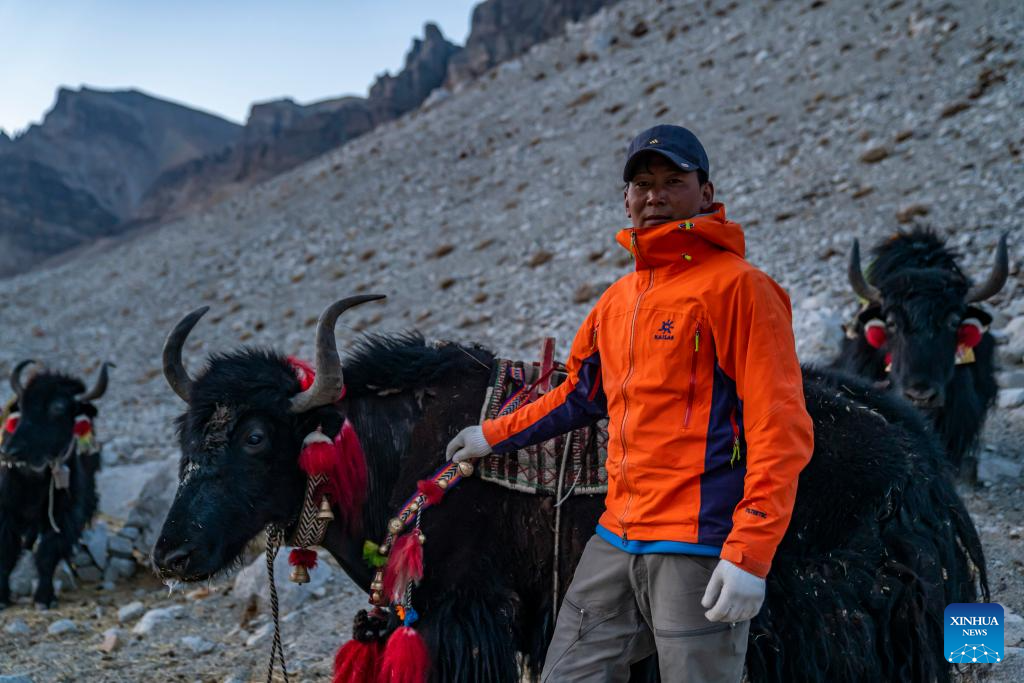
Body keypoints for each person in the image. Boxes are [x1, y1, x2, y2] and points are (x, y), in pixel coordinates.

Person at [446, 124, 814, 682]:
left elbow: (779, 424)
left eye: (673, 181)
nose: (655, 195)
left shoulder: (740, 288)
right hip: (616, 537)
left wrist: (750, 551)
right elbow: (579, 395)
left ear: (706, 194)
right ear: (626, 198)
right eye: (643, 184)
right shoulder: (617, 301)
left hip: (696, 542)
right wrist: (492, 435)